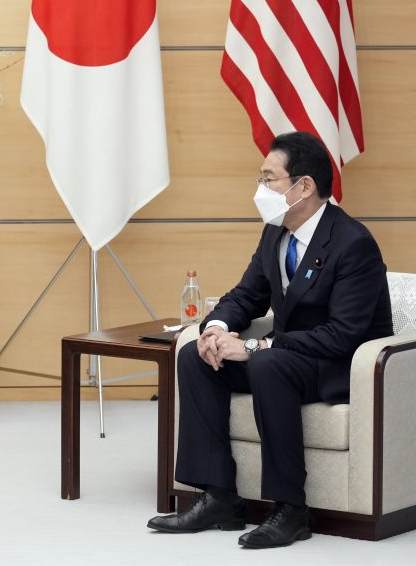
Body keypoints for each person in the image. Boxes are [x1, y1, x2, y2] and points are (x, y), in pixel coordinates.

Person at [147, 131, 392, 548]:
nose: (260, 190)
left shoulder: (353, 243)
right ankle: (219, 496)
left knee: (267, 363)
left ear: (304, 186)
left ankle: (291, 510)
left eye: (268, 179)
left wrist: (259, 346)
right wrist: (216, 330)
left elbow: (343, 334)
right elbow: (246, 295)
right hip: (287, 358)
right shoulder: (275, 233)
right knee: (193, 356)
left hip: (339, 364)